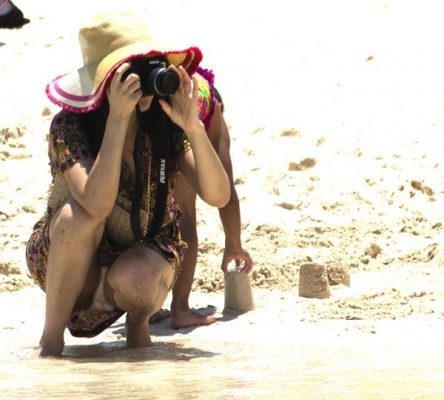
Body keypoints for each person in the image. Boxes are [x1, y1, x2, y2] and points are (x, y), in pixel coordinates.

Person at [25, 11, 230, 357]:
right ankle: (51, 342)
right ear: (104, 81)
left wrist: (192, 126)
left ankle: (137, 329)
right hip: (72, 266)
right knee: (77, 216)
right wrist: (119, 119)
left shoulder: (164, 123)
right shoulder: (70, 127)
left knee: (139, 273)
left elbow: (218, 194)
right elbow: (97, 203)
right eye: (131, 71)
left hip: (139, 263)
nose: (144, 81)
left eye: (151, 67)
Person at [170, 69, 254, 329]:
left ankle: (147, 306)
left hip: (159, 110)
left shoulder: (180, 83)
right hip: (187, 116)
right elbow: (227, 194)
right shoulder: (212, 113)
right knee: (185, 216)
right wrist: (234, 245)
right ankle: (180, 308)